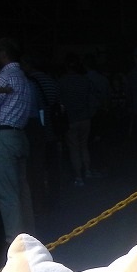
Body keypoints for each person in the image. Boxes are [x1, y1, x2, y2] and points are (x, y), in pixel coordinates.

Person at [0, 37, 36, 242]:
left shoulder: (6, 76)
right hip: (20, 135)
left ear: (3, 53)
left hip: (4, 136)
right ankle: (29, 237)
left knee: (7, 192)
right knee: (22, 191)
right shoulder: (23, 78)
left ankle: (15, 241)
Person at [55, 54, 100, 185]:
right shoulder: (85, 80)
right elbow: (93, 98)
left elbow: (58, 101)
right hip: (85, 118)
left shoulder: (61, 82)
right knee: (84, 145)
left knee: (74, 148)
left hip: (71, 119)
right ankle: (87, 170)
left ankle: (79, 176)